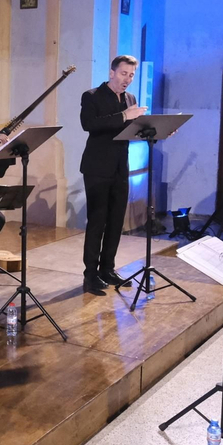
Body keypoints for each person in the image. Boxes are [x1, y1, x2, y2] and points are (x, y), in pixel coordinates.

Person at [79, 55, 145, 294]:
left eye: (131, 75)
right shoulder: (92, 96)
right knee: (98, 220)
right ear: (111, 72)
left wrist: (155, 129)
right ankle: (91, 274)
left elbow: (131, 129)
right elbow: (90, 125)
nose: (127, 79)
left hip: (120, 167)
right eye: (123, 73)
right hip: (97, 167)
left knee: (116, 221)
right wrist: (125, 116)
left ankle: (108, 268)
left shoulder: (130, 99)